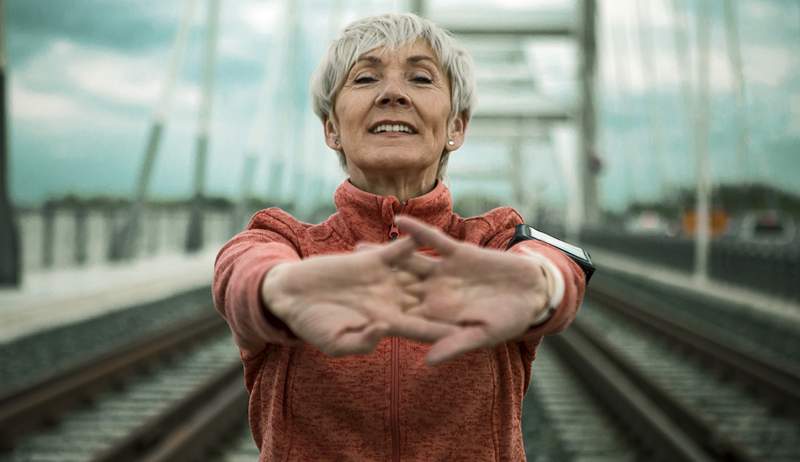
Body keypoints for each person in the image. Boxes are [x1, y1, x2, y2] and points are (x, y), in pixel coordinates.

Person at [213, 13, 586, 461]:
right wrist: (277, 289)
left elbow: (551, 264)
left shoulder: (493, 242)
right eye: (366, 77)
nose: (392, 93)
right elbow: (240, 270)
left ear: (456, 127)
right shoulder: (285, 242)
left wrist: (542, 285)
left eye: (421, 78)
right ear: (332, 129)